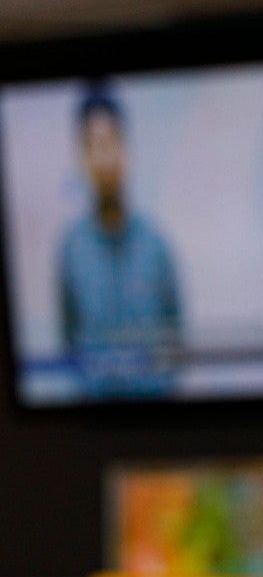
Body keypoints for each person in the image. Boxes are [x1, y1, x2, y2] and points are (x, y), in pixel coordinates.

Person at [58, 81, 183, 399]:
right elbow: (68, 343)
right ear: (81, 158)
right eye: (92, 145)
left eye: (110, 141)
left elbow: (176, 340)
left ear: (126, 148)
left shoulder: (156, 244)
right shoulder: (70, 250)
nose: (104, 159)